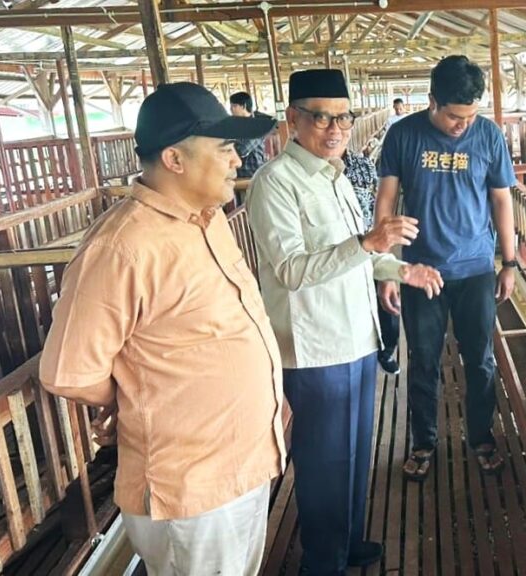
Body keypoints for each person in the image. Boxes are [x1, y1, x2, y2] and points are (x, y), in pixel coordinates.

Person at [39, 82, 283, 575]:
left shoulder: (208, 219)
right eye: (225, 148)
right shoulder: (122, 247)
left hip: (244, 460)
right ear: (175, 159)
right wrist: (137, 393)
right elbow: (67, 369)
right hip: (190, 490)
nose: (238, 160)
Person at [246, 69, 443, 576]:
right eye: (320, 117)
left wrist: (402, 268)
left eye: (344, 117)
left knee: (355, 455)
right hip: (315, 349)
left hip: (357, 336)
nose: (335, 128)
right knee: (324, 464)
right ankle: (323, 561)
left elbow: (359, 252)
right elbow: (291, 269)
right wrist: (370, 244)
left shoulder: (335, 176)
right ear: (293, 120)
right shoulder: (275, 184)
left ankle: (347, 541)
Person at [375, 55, 517, 481]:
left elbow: (501, 200)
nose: (463, 125)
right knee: (423, 360)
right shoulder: (403, 135)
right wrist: (387, 268)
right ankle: (423, 442)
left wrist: (508, 263)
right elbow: (385, 201)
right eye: (455, 116)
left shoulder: (488, 135)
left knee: (481, 359)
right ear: (432, 101)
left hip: (475, 267)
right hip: (421, 269)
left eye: (470, 116)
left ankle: (481, 435)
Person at [345, 148, 402, 375]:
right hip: (340, 250)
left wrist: (382, 247)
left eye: (342, 121)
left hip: (372, 242)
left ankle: (387, 350)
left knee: (388, 303)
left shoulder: (363, 165)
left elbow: (379, 207)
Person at [229, 91, 270, 179]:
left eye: (234, 106)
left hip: (252, 175)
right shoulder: (236, 125)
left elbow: (242, 150)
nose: (231, 109)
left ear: (243, 106)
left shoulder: (256, 126)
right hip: (239, 175)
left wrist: (226, 147)